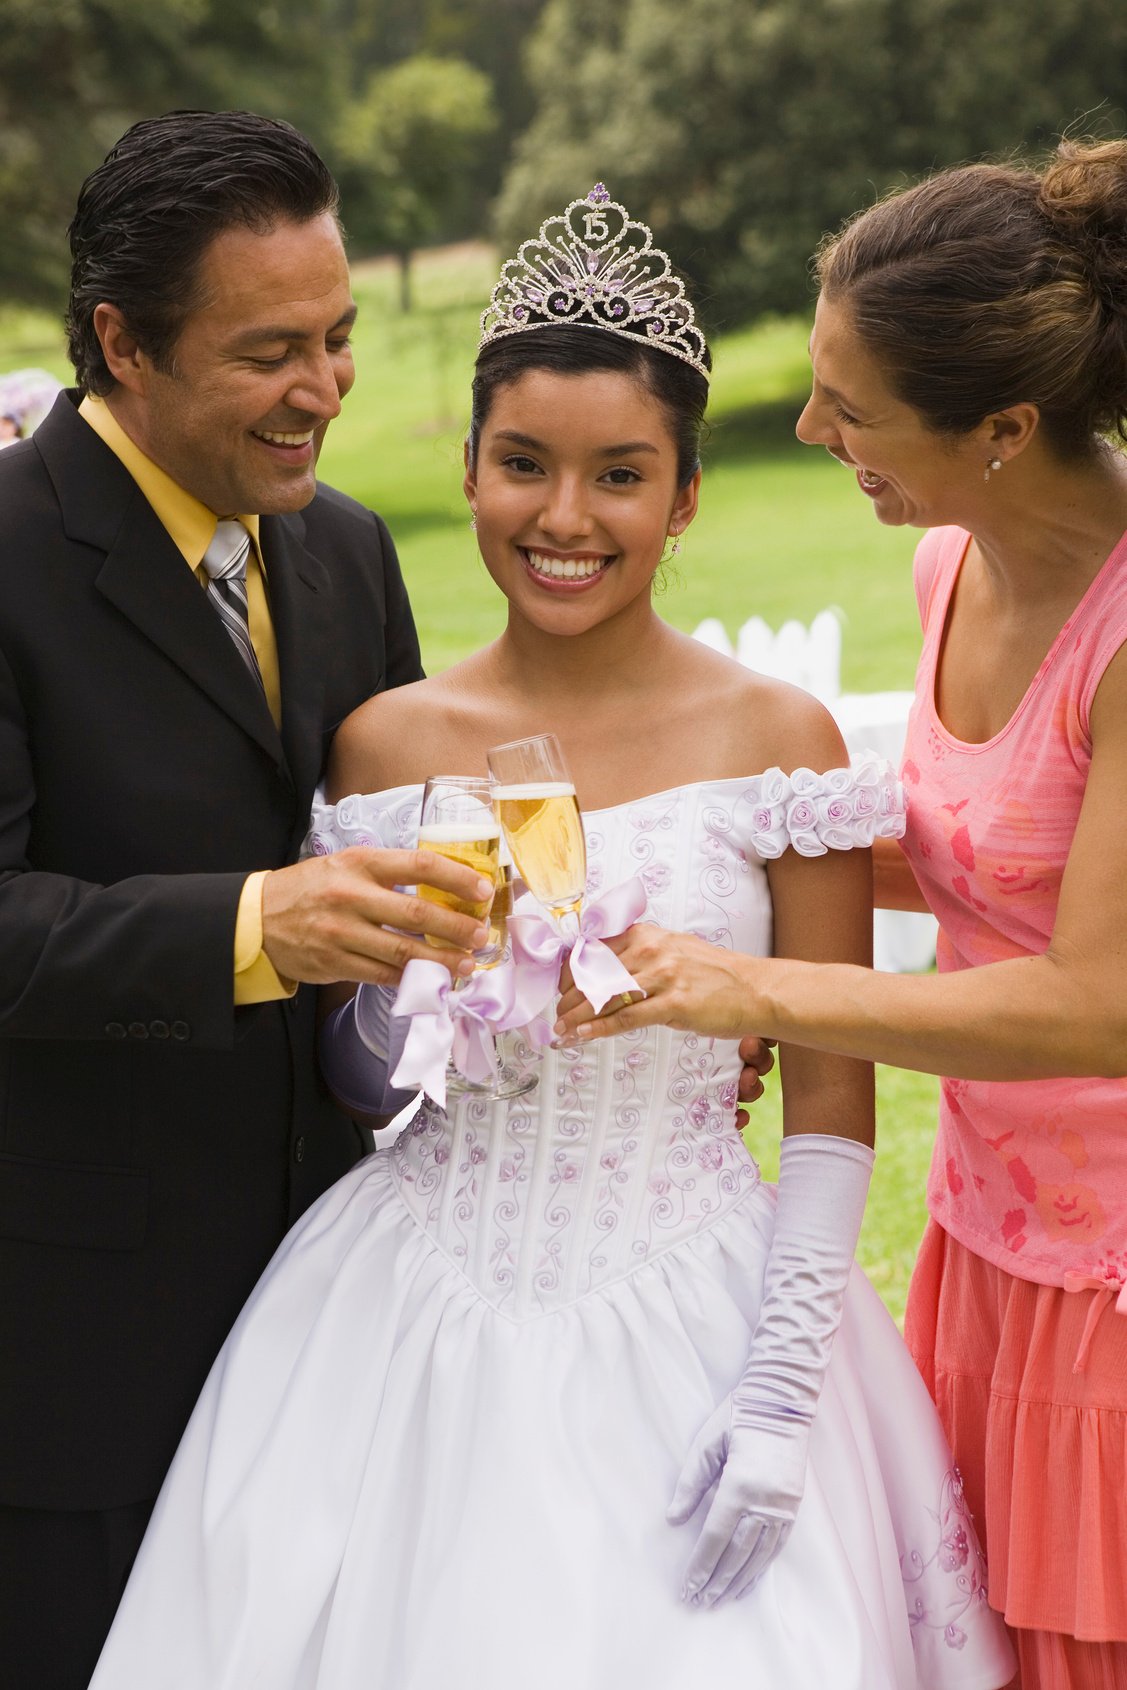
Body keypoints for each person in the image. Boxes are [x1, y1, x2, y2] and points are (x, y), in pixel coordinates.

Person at [90, 185, 1013, 1690]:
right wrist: (416, 1001)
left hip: (698, 1300)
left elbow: (835, 1105)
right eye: (523, 464)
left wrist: (779, 1393)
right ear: (467, 470)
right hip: (403, 1316)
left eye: (620, 475)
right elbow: (357, 1085)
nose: (565, 518)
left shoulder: (777, 741)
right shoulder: (385, 744)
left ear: (686, 496)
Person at [556, 139, 1127, 1690]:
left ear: (1003, 427)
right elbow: (968, 857)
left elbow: (1092, 998)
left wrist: (741, 984)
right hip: (989, 1244)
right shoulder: (955, 564)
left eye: (850, 408)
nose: (810, 430)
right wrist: (674, 841)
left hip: (1112, 1289)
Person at [0, 110, 496, 1689]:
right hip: (75, 1348)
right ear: (121, 344)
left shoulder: (345, 550)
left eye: (341, 339)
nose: (325, 390)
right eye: (271, 350)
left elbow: (425, 864)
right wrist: (247, 929)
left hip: (343, 1315)